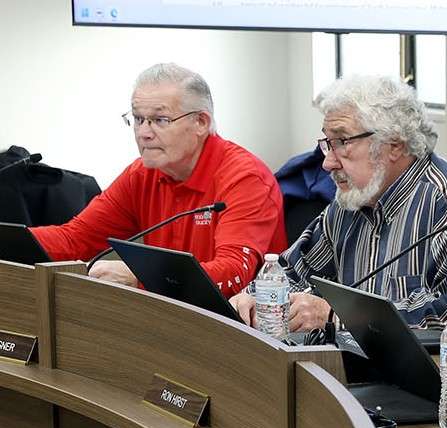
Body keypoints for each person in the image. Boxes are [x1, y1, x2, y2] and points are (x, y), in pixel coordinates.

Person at [233, 75, 447, 338]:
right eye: (328, 143)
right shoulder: (351, 201)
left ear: (394, 144)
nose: (328, 162)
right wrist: (253, 297)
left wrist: (338, 317)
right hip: (368, 375)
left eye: (342, 142)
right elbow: (294, 271)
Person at [29, 63, 285, 295]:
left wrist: (140, 278)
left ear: (201, 122)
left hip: (236, 328)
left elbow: (233, 275)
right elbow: (75, 240)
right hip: (165, 318)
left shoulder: (245, 178)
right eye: (138, 119)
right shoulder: (142, 174)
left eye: (160, 120)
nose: (143, 133)